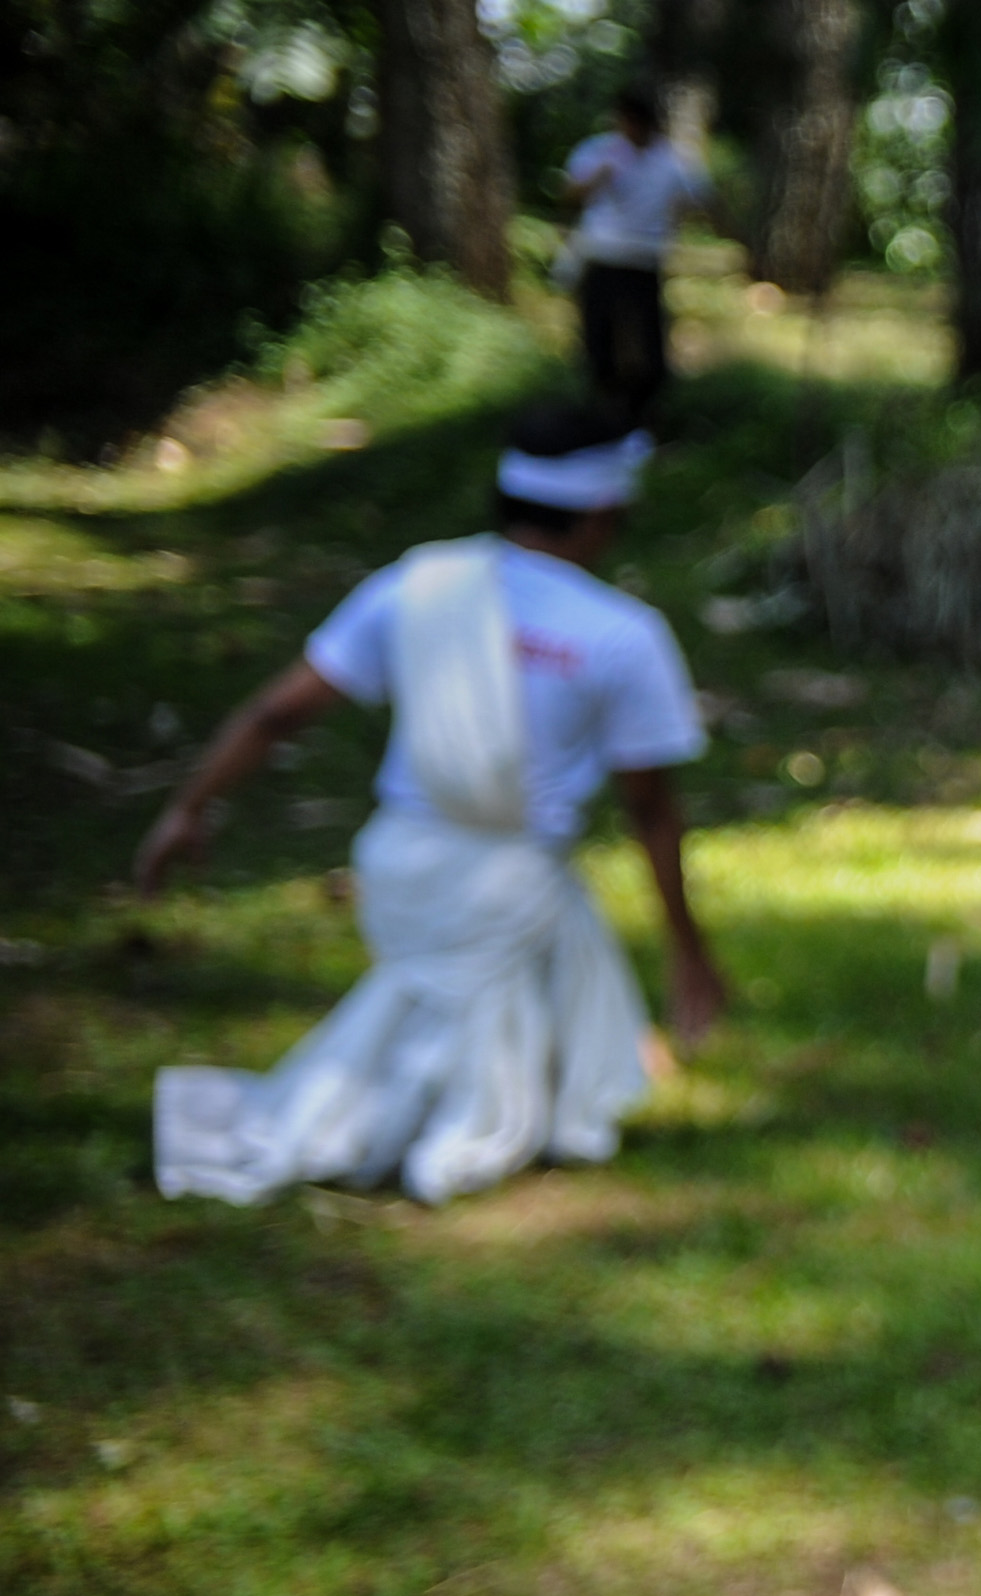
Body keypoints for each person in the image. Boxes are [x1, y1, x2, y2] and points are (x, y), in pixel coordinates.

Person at [135, 405, 725, 1207]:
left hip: (400, 862)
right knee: (502, 1004)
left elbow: (278, 713)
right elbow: (650, 808)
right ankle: (408, 1124)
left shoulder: (418, 587)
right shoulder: (622, 634)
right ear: (603, 513)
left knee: (554, 938)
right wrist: (686, 946)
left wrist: (188, 807)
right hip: (502, 881)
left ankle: (471, 1097)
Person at [562, 84, 718, 427]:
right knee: (599, 336)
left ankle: (645, 411)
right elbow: (570, 194)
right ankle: (603, 406)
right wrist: (598, 178)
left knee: (649, 339)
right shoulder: (600, 151)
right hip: (601, 257)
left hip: (644, 262)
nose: (632, 129)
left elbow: (705, 201)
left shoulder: (674, 160)